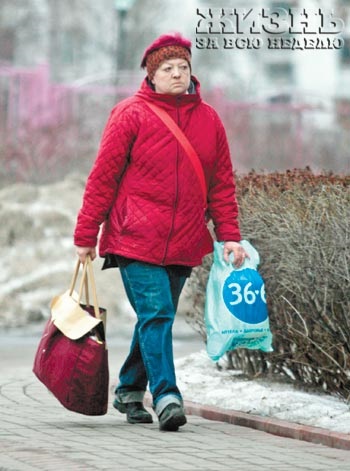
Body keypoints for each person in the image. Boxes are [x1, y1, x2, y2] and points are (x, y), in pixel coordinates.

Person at [74, 32, 247, 432]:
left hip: (185, 239)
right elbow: (103, 178)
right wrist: (86, 235)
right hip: (134, 237)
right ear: (151, 76)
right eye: (167, 69)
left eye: (183, 67)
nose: (176, 74)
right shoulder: (129, 113)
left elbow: (221, 184)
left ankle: (130, 389)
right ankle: (167, 395)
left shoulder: (209, 120)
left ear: (191, 72)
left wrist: (230, 236)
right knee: (158, 313)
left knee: (157, 318)